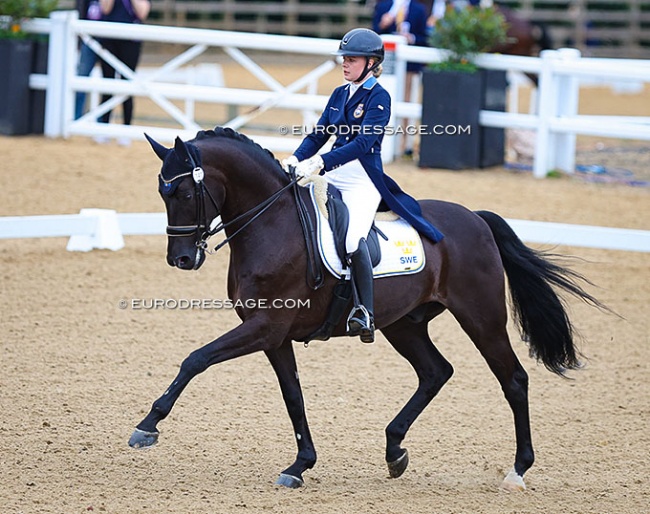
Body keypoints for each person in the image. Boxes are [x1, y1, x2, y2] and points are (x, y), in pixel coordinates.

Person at [282, 28, 444, 344]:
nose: (345, 64)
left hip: (362, 178)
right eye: (344, 58)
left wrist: (322, 162)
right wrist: (296, 157)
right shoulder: (340, 93)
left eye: (352, 59)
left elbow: (364, 142)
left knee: (353, 240)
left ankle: (364, 311)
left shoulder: (378, 96)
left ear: (371, 62)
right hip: (332, 172)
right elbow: (318, 135)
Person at [373, 0, 429, 157]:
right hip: (385, 65)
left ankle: (406, 143)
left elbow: (424, 38)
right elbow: (373, 32)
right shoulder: (383, 6)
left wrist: (411, 38)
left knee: (407, 101)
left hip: (410, 67)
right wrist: (383, 25)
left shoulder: (418, 9)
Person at [96, 0, 151, 145]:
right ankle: (103, 128)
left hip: (131, 40)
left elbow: (142, 13)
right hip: (109, 37)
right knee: (107, 83)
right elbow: (105, 8)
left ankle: (126, 129)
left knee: (128, 84)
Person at [75, 0, 102, 120]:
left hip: (109, 40)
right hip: (88, 38)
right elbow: (80, 10)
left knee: (109, 82)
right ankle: (76, 117)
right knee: (81, 79)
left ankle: (102, 120)